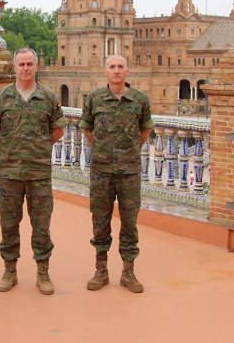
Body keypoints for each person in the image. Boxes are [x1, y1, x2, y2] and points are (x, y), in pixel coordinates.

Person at [0, 48, 66, 295]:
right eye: (21, 64)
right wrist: (13, 148)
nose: (25, 68)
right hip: (9, 174)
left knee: (41, 225)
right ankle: (10, 271)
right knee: (9, 224)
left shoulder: (49, 97)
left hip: (39, 174)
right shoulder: (2, 97)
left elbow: (57, 131)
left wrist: (37, 148)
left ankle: (43, 272)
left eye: (30, 64)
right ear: (14, 67)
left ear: (36, 66)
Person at [80, 54, 153, 293]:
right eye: (112, 66)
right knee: (100, 220)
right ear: (105, 71)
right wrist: (103, 151)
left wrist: (128, 151)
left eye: (121, 66)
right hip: (101, 171)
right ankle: (101, 270)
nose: (116, 70)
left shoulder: (139, 99)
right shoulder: (95, 98)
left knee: (129, 221)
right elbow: (87, 129)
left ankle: (128, 271)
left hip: (129, 171)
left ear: (127, 71)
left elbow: (144, 131)